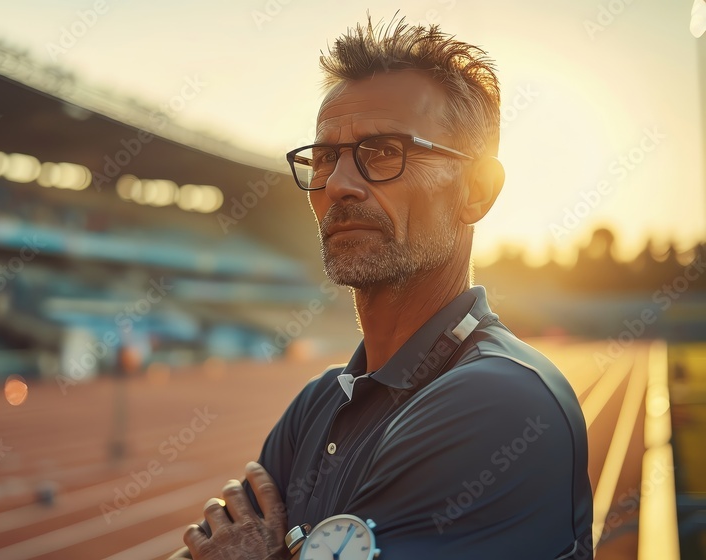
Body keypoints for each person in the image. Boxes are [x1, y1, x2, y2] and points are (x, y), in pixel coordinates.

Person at [170, 15, 593, 560]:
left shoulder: (504, 400)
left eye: (384, 151)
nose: (340, 185)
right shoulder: (317, 404)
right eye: (324, 158)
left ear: (477, 190)